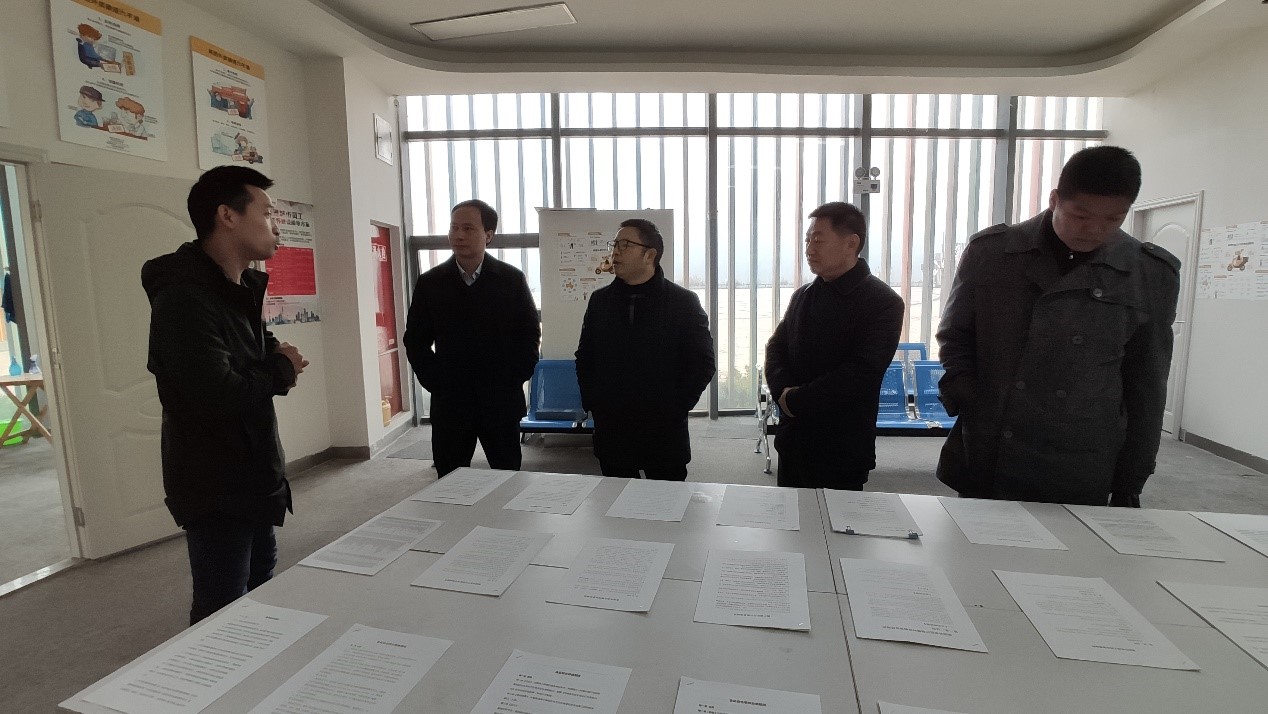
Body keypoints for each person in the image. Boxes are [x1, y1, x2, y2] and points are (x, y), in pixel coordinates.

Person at [935, 145, 1180, 507]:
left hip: (1080, 449)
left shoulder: (1148, 273)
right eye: (1080, 215)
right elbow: (955, 334)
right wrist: (966, 390)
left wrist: (1132, 478)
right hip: (995, 438)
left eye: (1113, 219)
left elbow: (1147, 384)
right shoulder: (993, 253)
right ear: (1054, 200)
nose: (1094, 229)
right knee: (980, 535)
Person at [142, 166, 308, 624]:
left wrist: (274, 360)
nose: (276, 226)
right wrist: (280, 368)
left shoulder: (237, 286)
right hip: (216, 482)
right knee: (222, 606)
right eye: (267, 213)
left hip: (254, 472)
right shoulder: (184, 297)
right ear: (227, 216)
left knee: (260, 583)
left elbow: (255, 350)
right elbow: (217, 392)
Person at [764, 202, 904, 490]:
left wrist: (796, 401)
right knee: (789, 515)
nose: (809, 249)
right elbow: (776, 348)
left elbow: (861, 372)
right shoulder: (803, 295)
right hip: (793, 441)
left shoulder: (883, 302)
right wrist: (782, 392)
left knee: (839, 519)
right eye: (807, 240)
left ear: (851, 243)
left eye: (818, 240)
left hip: (842, 446)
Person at [404, 199, 540, 477]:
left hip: (500, 401)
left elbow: (528, 336)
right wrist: (436, 382)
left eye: (468, 228)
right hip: (451, 403)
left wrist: (512, 379)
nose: (458, 235)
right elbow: (415, 340)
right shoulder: (431, 283)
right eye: (454, 227)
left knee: (507, 479)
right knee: (450, 482)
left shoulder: (511, 280)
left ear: (488, 235)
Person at [576, 219, 715, 480]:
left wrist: (676, 407)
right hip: (613, 429)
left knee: (666, 502)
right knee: (615, 501)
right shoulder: (600, 301)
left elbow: (702, 363)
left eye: (624, 245)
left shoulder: (683, 302)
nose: (615, 252)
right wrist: (594, 403)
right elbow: (585, 357)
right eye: (614, 245)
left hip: (664, 432)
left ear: (650, 255)